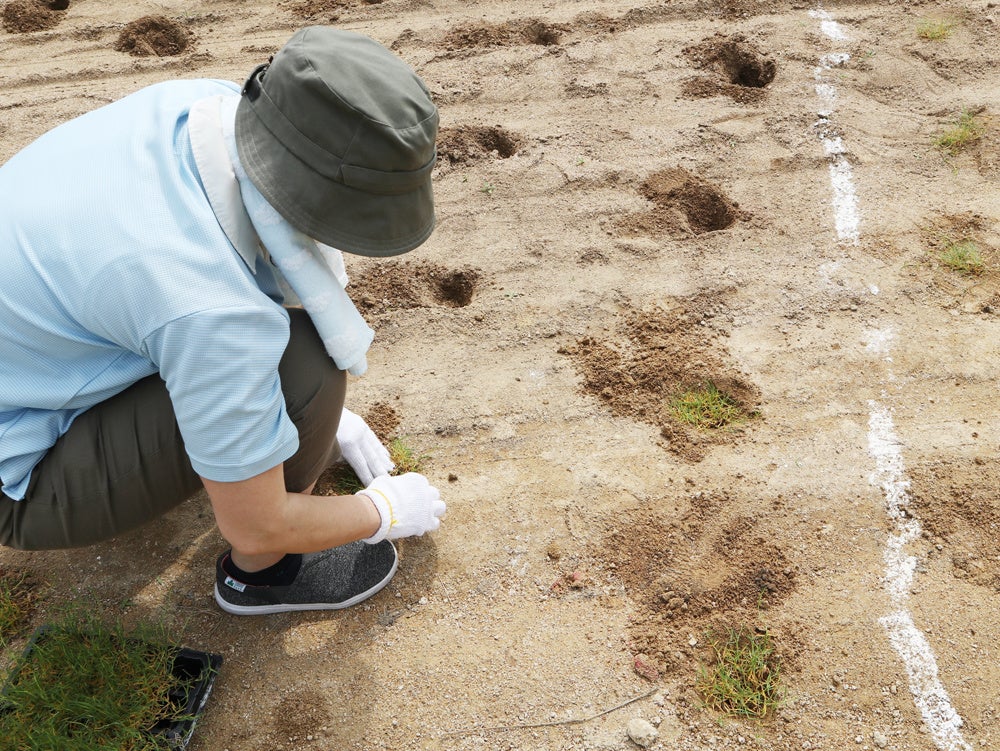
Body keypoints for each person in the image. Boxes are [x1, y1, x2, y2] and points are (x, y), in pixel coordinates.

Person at [0, 27, 446, 615]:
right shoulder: (207, 304)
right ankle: (262, 581)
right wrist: (383, 511)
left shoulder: (202, 104)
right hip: (18, 476)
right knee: (306, 371)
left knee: (252, 367)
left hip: (35, 356)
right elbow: (258, 525)